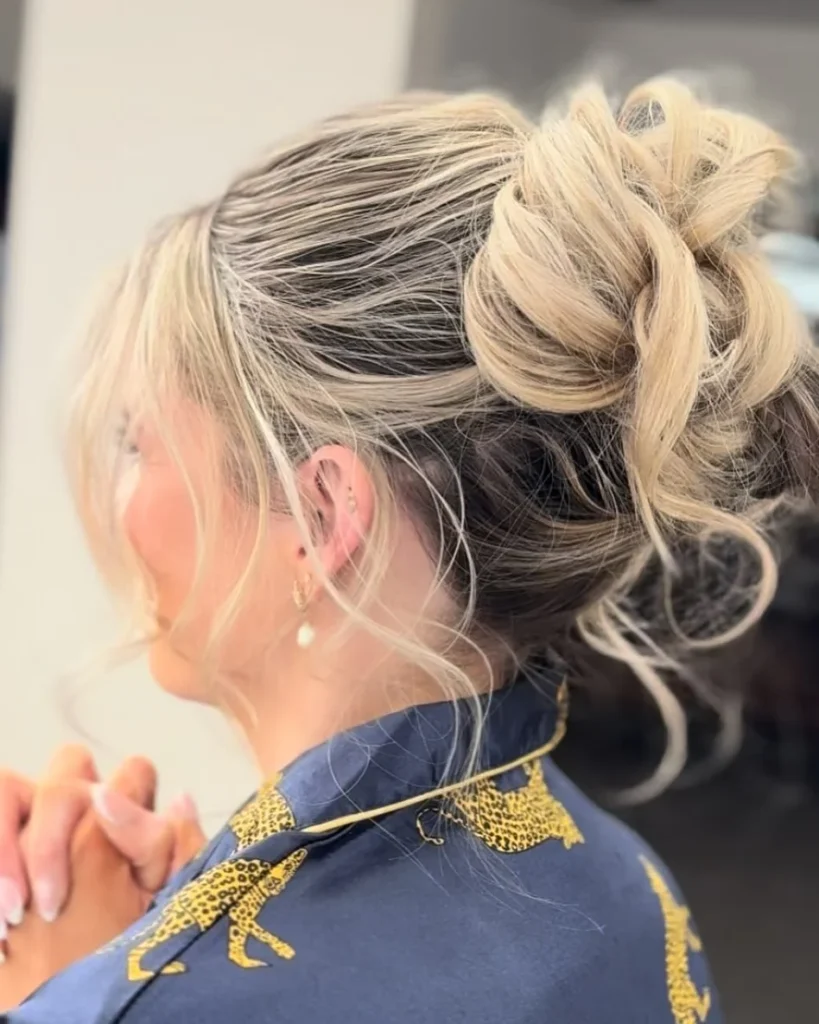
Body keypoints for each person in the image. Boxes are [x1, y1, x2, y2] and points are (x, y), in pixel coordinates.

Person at [0, 75, 817, 1023]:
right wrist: (159, 939)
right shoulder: (630, 896)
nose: (121, 503)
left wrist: (75, 991)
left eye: (139, 443)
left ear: (319, 515)